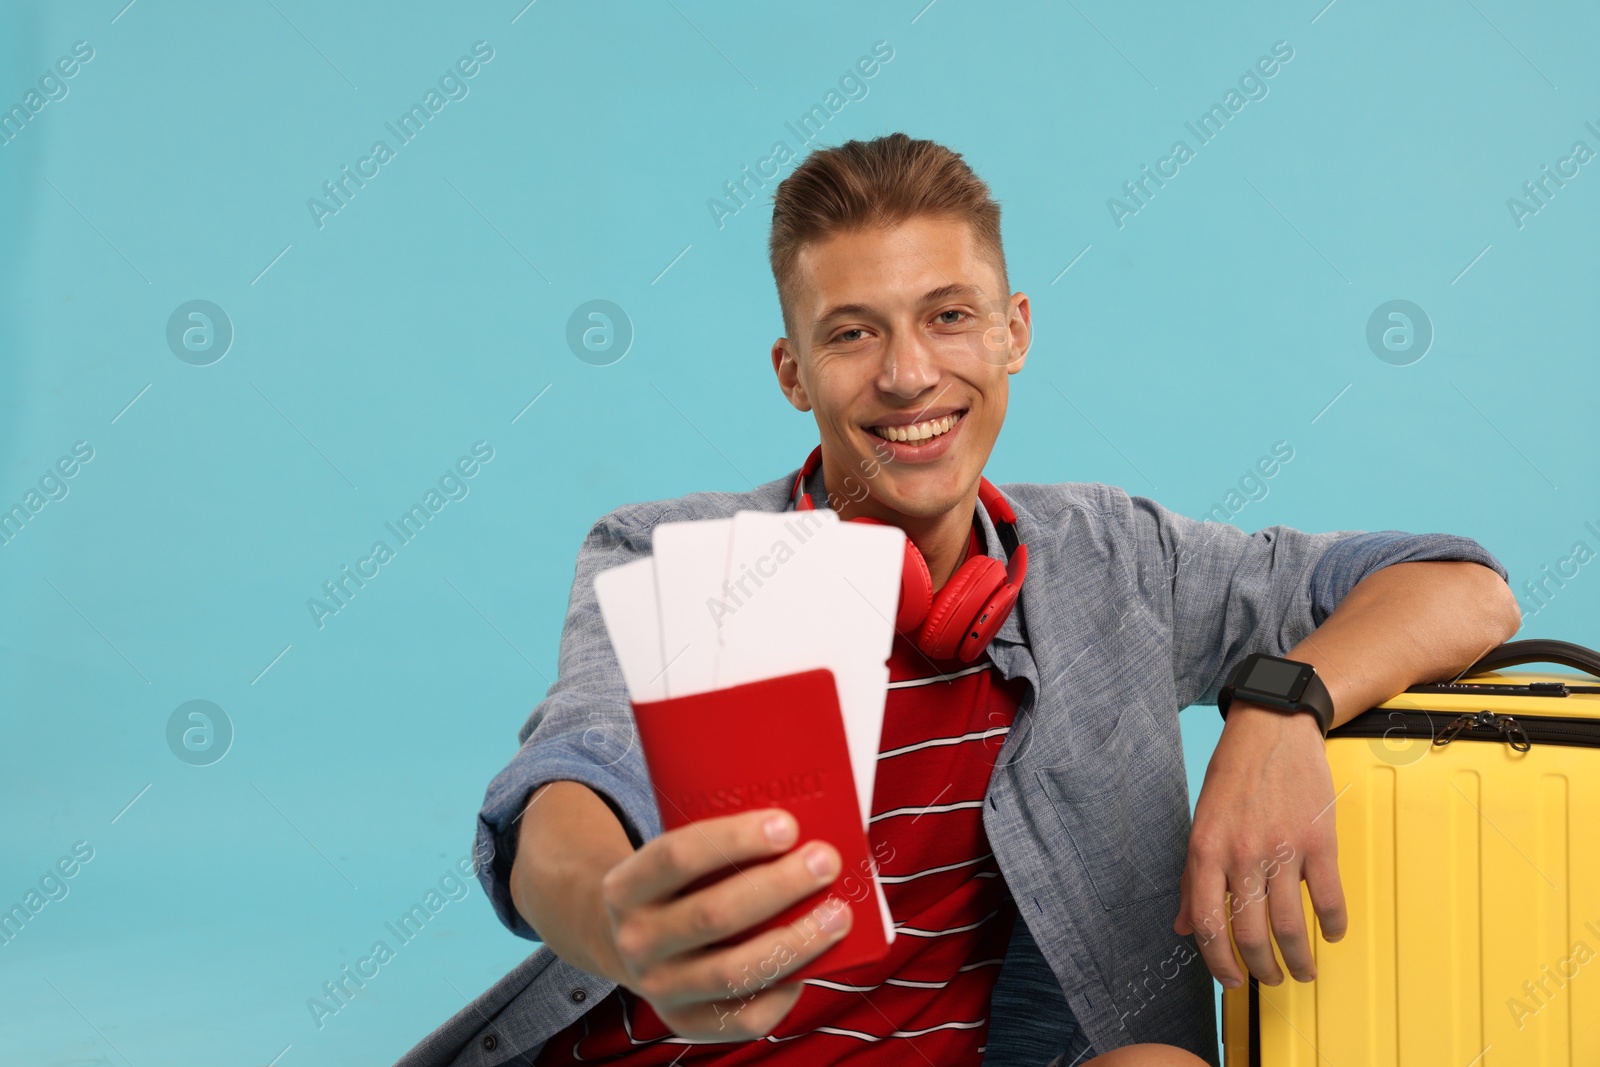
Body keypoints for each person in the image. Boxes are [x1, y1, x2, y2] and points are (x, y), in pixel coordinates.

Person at [394, 133, 1520, 1066]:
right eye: (851, 333)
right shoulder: (671, 554)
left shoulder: (1115, 560)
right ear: (791, 371)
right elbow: (567, 783)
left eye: (947, 316)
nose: (907, 375)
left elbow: (1458, 586)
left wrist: (1281, 704)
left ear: (1013, 331)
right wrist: (614, 916)